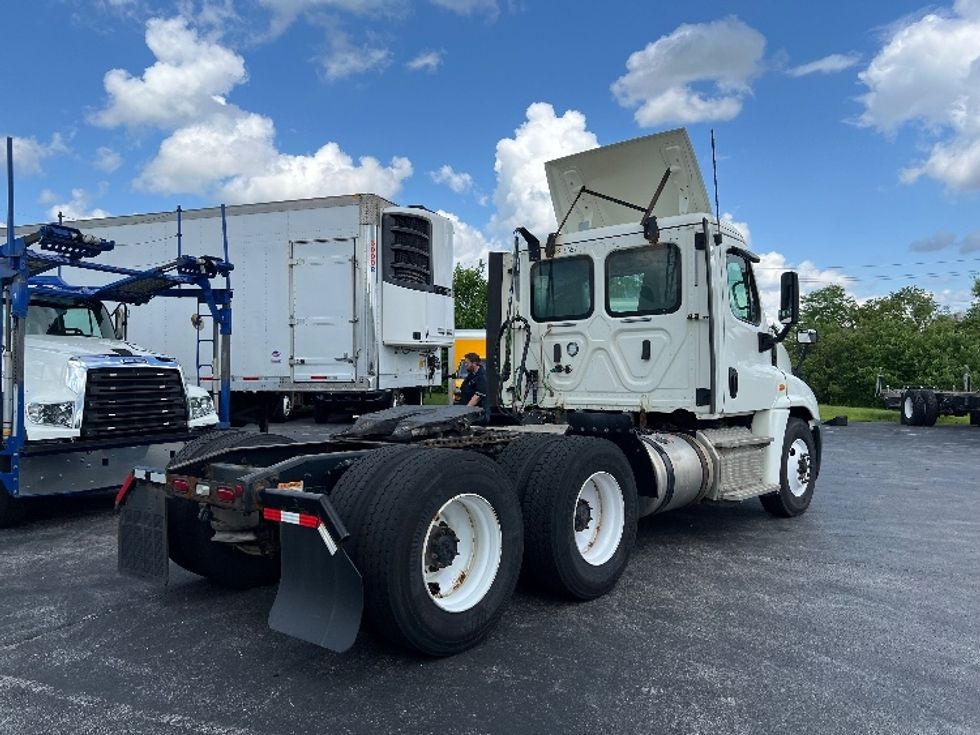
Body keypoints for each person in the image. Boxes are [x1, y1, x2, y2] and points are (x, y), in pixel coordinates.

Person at [456, 352, 489, 424]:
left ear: (474, 363)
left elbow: (478, 396)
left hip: (477, 414)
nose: (465, 365)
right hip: (468, 411)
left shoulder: (482, 376)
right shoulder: (471, 375)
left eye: (467, 363)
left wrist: (465, 411)